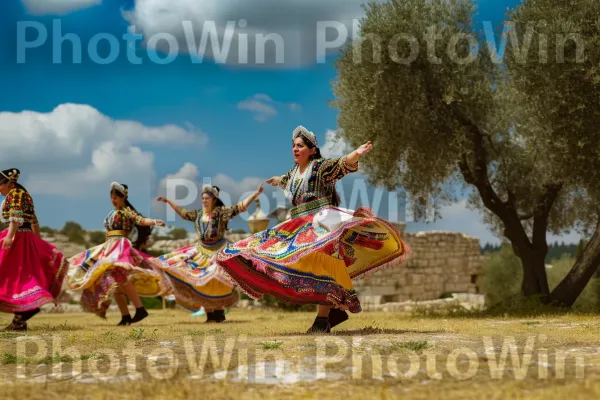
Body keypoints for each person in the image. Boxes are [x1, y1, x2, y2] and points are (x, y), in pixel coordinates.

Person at [216, 126, 411, 333]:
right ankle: (332, 312)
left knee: (323, 267)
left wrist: (357, 153)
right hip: (297, 225)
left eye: (300, 146)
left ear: (312, 149)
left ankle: (323, 320)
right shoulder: (292, 173)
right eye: (293, 146)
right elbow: (287, 180)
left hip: (321, 224)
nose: (295, 149)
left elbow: (341, 164)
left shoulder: (319, 167)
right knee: (276, 253)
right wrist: (277, 180)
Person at [65, 182, 173, 325]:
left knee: (121, 278)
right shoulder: (111, 214)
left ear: (123, 198)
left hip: (120, 247)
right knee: (115, 284)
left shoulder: (127, 212)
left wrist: (154, 221)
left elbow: (141, 221)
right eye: (112, 197)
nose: (113, 199)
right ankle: (125, 316)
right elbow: (108, 234)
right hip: (109, 247)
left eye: (116, 197)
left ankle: (140, 309)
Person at [156, 183, 263, 322]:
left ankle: (219, 313)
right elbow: (182, 213)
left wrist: (255, 194)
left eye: (207, 198)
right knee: (201, 282)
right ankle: (210, 314)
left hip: (218, 251)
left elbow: (240, 207)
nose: (204, 201)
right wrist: (169, 201)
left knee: (217, 282)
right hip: (201, 251)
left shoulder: (221, 213)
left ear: (213, 199)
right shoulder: (198, 214)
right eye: (203, 198)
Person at [0, 168, 68, 331]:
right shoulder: (25, 195)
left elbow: (15, 217)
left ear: (9, 183)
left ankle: (24, 313)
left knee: (12, 273)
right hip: (26, 237)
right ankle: (21, 318)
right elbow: (35, 222)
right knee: (20, 275)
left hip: (18, 237)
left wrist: (10, 236)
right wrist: (36, 241)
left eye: (0, 185)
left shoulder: (15, 194)